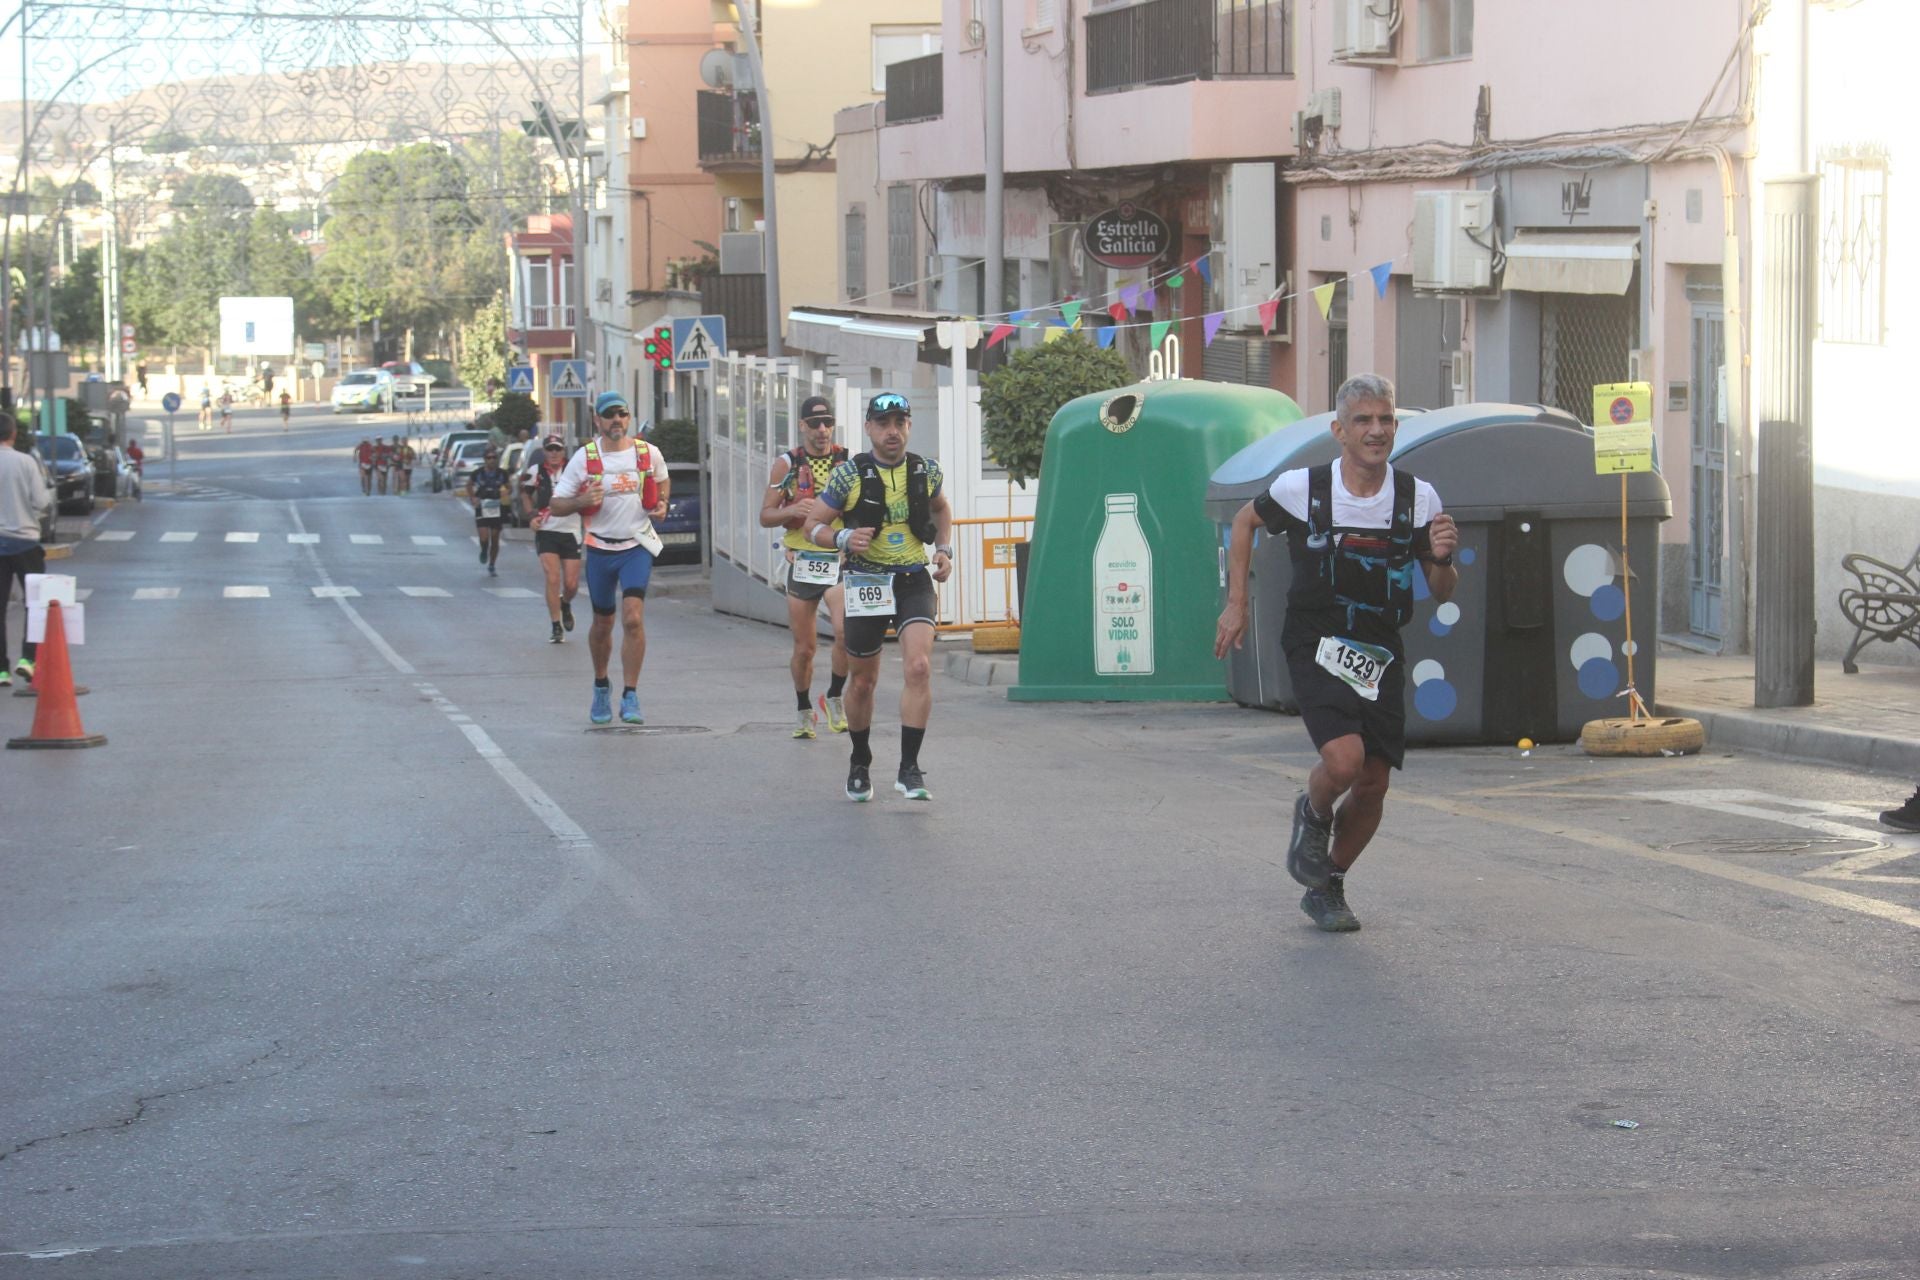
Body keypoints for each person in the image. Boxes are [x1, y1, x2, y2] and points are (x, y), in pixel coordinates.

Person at [1214, 373, 1459, 933]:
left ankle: (1328, 887)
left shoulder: (1418, 498)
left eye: (1386, 420)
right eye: (1364, 421)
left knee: (1373, 784)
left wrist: (1442, 559)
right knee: (1344, 762)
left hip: (1379, 647)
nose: (1377, 431)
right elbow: (1246, 520)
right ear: (1339, 431)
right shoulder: (1305, 488)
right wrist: (1237, 602)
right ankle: (1314, 811)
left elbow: (1442, 592)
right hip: (1317, 640)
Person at [808, 391, 953, 802]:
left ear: (909, 426)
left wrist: (943, 550)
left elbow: (941, 510)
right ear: (869, 428)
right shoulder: (848, 476)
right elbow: (812, 525)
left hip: (912, 578)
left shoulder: (926, 470)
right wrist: (841, 536)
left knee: (920, 666)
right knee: (864, 682)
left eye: (900, 423)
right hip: (866, 581)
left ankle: (909, 769)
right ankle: (860, 760)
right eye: (883, 424)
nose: (893, 432)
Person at [548, 390, 669, 725]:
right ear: (597, 421)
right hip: (600, 548)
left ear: (628, 418)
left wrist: (662, 505)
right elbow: (557, 504)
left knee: (633, 617)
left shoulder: (648, 452)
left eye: (622, 414)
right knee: (603, 623)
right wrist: (581, 499)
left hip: (636, 546)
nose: (616, 420)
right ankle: (602, 684)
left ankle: (631, 694)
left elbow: (662, 481)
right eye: (609, 415)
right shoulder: (585, 458)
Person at [762, 394, 851, 739]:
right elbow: (766, 515)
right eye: (815, 424)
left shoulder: (847, 463)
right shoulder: (786, 464)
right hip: (802, 561)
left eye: (827, 423)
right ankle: (803, 708)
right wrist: (791, 512)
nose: (822, 430)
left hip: (837, 558)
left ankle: (833, 697)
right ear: (802, 426)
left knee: (845, 632)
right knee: (805, 647)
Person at [0, 413, 54, 688]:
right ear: (13, 434)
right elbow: (42, 501)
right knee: (35, 605)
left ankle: (1, 671)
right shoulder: (25, 462)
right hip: (25, 543)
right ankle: (27, 660)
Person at [526, 434, 583, 644]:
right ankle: (555, 625)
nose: (554, 453)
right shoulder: (536, 472)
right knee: (552, 578)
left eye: (557, 449)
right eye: (550, 449)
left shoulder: (574, 470)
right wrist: (531, 516)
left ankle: (565, 603)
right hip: (547, 530)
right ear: (544, 451)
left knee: (571, 584)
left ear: (563, 451)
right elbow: (524, 492)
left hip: (571, 531)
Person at [468, 445, 512, 576]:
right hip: (482, 506)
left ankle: (492, 564)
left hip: (496, 507)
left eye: (494, 457)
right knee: (484, 537)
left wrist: (506, 493)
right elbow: (469, 485)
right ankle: (483, 549)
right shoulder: (478, 473)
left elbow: (509, 487)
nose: (491, 460)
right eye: (489, 458)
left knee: (495, 537)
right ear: (484, 459)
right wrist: (473, 498)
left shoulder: (502, 473)